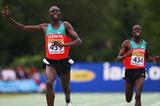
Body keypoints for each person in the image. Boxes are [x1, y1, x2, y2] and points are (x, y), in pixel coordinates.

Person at [1, 5, 82, 106]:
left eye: (57, 11)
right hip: (50, 62)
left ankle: (68, 99)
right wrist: (9, 19)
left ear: (60, 13)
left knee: (65, 88)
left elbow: (78, 40)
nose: (55, 12)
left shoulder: (65, 25)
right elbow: (24, 27)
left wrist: (63, 45)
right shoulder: (45, 27)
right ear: (49, 14)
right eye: (53, 11)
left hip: (64, 61)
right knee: (48, 83)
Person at [117, 24, 158, 106]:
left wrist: (153, 59)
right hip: (129, 72)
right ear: (132, 32)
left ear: (141, 32)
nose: (137, 30)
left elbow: (146, 58)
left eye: (139, 29)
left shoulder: (144, 44)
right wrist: (127, 55)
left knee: (138, 95)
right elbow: (118, 59)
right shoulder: (127, 43)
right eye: (135, 29)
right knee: (128, 99)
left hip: (140, 72)